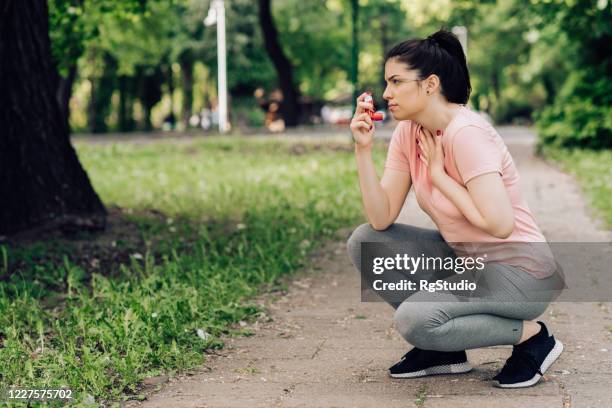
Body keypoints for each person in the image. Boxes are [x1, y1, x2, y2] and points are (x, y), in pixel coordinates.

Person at [347, 29, 563, 388]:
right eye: (386, 82)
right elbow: (380, 217)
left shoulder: (467, 133)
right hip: (471, 261)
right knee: (366, 241)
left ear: (430, 84)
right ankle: (443, 351)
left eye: (397, 82)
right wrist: (362, 149)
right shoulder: (409, 133)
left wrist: (439, 176)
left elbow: (500, 224)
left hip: (521, 273)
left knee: (415, 320)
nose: (386, 93)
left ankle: (533, 338)